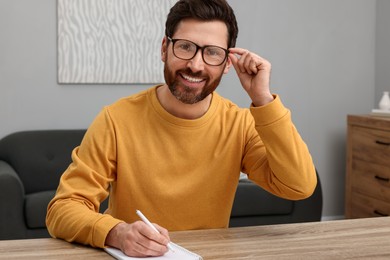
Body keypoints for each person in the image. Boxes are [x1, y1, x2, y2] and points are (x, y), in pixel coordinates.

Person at [46, 0, 317, 257]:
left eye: (212, 52)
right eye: (185, 47)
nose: (195, 65)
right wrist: (117, 232)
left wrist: (263, 100)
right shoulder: (116, 119)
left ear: (227, 64)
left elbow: (299, 186)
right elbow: (63, 209)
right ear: (164, 48)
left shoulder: (240, 124)